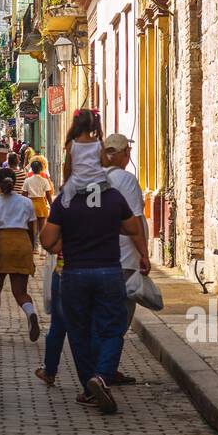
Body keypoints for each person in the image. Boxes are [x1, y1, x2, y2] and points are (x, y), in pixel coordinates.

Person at [39, 175, 148, 414]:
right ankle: (101, 377)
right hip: (108, 272)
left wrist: (63, 247)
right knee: (111, 329)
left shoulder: (64, 201)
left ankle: (89, 388)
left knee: (78, 333)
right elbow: (133, 227)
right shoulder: (113, 198)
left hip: (74, 273)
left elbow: (47, 240)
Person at [103, 134, 150, 385]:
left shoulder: (93, 179)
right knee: (120, 318)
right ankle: (106, 370)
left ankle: (101, 367)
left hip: (99, 258)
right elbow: (133, 222)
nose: (129, 156)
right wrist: (144, 254)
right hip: (124, 258)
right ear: (122, 155)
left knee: (102, 316)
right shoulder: (126, 180)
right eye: (127, 152)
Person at [0, 168, 40, 342]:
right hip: (22, 243)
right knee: (20, 291)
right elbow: (33, 229)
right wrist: (31, 248)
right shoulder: (26, 202)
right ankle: (31, 314)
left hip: (2, 244)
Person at [59, 109, 110, 207]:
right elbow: (106, 164)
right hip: (99, 185)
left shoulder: (72, 144)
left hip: (78, 185)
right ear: (92, 125)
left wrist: (65, 183)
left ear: (76, 123)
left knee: (63, 205)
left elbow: (67, 168)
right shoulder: (99, 144)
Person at [24, 156, 55, 246]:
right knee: (42, 230)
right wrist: (52, 206)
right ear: (42, 168)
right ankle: (42, 250)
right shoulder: (45, 180)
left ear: (32, 168)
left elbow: (24, 195)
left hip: (30, 205)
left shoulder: (27, 180)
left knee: (32, 230)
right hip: (41, 205)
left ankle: (35, 248)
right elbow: (49, 195)